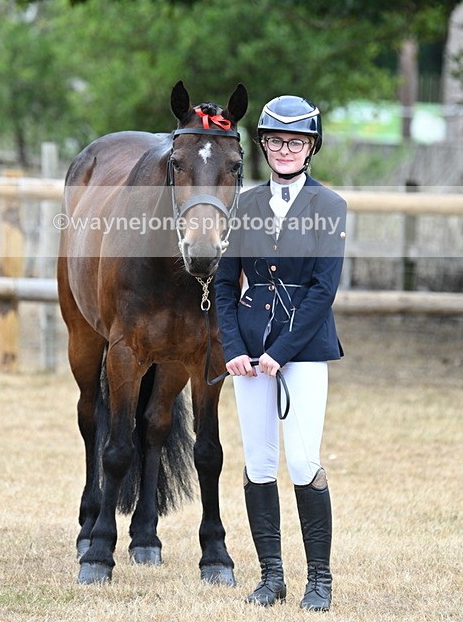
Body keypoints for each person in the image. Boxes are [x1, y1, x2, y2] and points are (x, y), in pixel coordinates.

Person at [214, 95, 347, 612]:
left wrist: (282, 352)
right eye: (275, 141)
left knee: (304, 460)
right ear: (263, 146)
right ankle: (272, 577)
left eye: (294, 142)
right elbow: (225, 285)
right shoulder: (244, 205)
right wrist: (234, 347)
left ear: (310, 147)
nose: (284, 149)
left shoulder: (329, 206)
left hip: (305, 348)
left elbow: (323, 290)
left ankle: (320, 579)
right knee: (259, 462)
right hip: (248, 351)